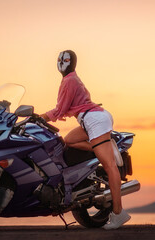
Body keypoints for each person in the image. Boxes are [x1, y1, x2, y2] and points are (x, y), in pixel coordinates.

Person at [40, 50, 131, 230]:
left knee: (109, 166)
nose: (62, 63)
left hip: (94, 120)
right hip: (90, 119)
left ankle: (119, 213)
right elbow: (66, 108)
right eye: (59, 60)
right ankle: (103, 146)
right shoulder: (71, 79)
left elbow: (59, 109)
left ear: (72, 62)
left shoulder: (69, 80)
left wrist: (40, 117)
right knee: (69, 140)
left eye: (66, 59)